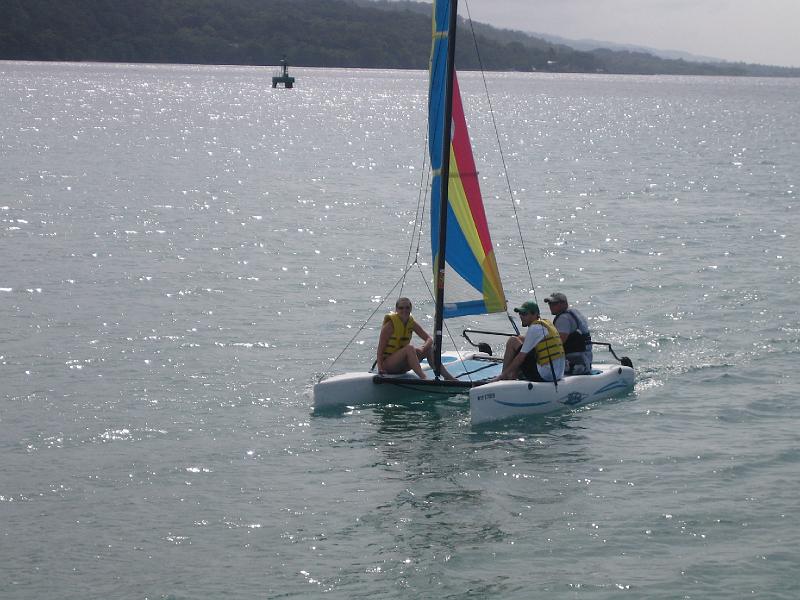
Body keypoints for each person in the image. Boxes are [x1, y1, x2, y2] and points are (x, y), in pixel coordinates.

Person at [376, 297, 456, 381]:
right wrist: (380, 369)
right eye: (401, 308)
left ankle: (448, 377)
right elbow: (380, 350)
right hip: (389, 366)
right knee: (410, 348)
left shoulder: (411, 323)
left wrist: (423, 348)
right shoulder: (389, 326)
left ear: (411, 308)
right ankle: (423, 377)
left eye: (407, 307)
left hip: (402, 366)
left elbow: (429, 339)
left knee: (429, 349)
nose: (404, 310)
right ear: (396, 309)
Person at [496, 301, 565, 382]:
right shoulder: (546, 323)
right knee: (519, 339)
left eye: (524, 314)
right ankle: (511, 376)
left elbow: (520, 358)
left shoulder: (534, 328)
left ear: (534, 314)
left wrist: (502, 375)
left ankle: (503, 378)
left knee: (512, 341)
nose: (521, 316)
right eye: (520, 313)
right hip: (558, 373)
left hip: (545, 376)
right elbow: (527, 341)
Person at [544, 292, 593, 375]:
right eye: (549, 304)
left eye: (554, 303)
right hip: (586, 359)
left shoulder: (563, 318)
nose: (551, 306)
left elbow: (558, 344)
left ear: (564, 303)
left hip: (577, 364)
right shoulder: (574, 312)